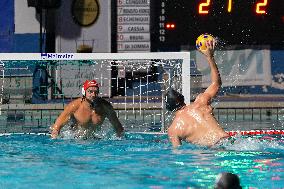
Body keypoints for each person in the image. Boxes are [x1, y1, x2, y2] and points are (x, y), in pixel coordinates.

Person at [166, 39, 229, 147]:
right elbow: (216, 83)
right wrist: (210, 57)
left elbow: (177, 154)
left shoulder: (173, 129)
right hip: (228, 142)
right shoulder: (201, 102)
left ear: (169, 108)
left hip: (212, 153)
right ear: (182, 99)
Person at [51, 79, 124, 139]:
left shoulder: (105, 106)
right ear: (84, 92)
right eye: (90, 92)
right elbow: (57, 127)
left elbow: (117, 126)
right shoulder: (74, 106)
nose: (93, 94)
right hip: (76, 140)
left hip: (96, 140)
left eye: (96, 92)